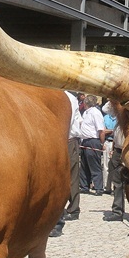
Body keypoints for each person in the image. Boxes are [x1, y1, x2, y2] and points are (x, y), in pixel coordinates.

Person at [50, 91, 82, 236]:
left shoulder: (67, 97)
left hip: (68, 140)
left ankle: (72, 209)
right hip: (62, 139)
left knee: (69, 177)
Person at [79, 95, 106, 196]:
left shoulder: (95, 113)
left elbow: (101, 130)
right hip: (85, 141)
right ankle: (84, 186)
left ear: (86, 103)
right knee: (84, 165)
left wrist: (101, 143)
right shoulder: (86, 113)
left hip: (93, 140)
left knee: (94, 165)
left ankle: (99, 188)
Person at [103, 114, 126, 222]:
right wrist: (113, 150)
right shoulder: (119, 120)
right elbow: (116, 137)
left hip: (127, 151)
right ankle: (117, 211)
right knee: (117, 182)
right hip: (117, 151)